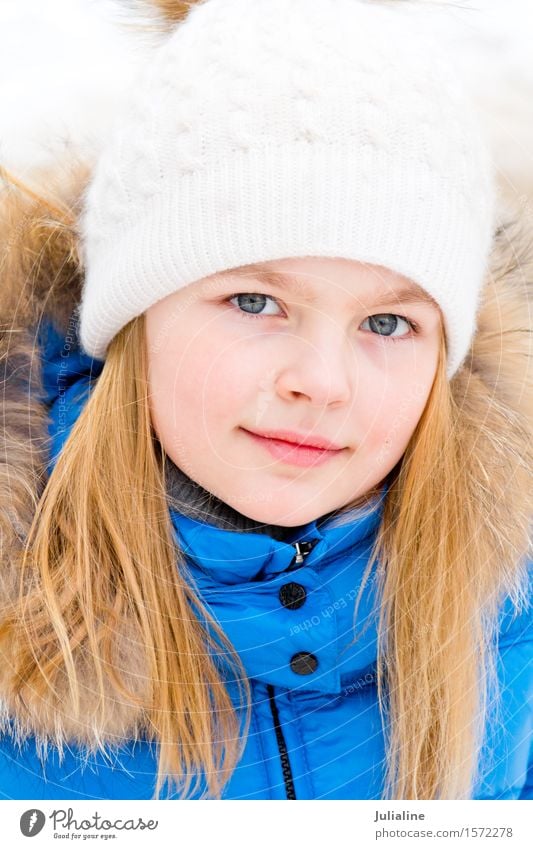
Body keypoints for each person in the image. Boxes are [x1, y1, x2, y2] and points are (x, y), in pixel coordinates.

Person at [0, 0, 531, 801]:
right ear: (136, 317)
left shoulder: (509, 607)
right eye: (255, 302)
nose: (321, 381)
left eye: (386, 321)